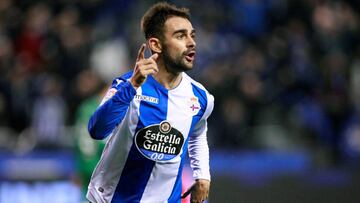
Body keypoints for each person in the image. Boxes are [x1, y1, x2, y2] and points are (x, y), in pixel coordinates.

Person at [86, 2, 214, 203]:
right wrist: (132, 86)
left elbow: (197, 132)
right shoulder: (126, 85)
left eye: (192, 35)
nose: (191, 43)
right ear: (156, 44)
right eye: (181, 36)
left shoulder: (201, 97)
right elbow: (97, 130)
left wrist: (202, 175)